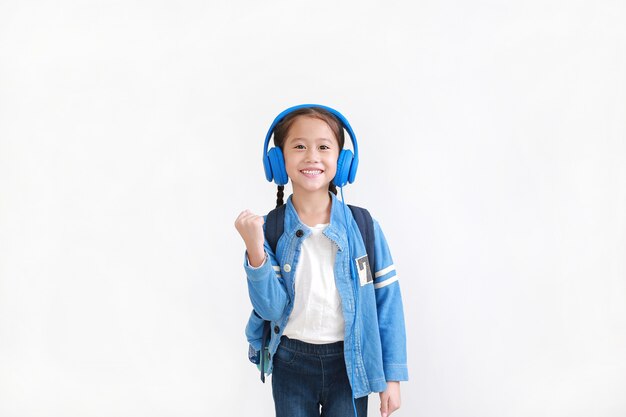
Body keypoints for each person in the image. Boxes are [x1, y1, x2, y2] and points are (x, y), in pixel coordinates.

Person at [235, 105, 408, 417]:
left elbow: (388, 303)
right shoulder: (269, 229)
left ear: (342, 161)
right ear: (278, 161)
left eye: (324, 147)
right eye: (299, 146)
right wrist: (255, 250)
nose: (312, 156)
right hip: (291, 361)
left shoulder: (364, 227)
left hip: (349, 362)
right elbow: (271, 308)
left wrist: (391, 377)